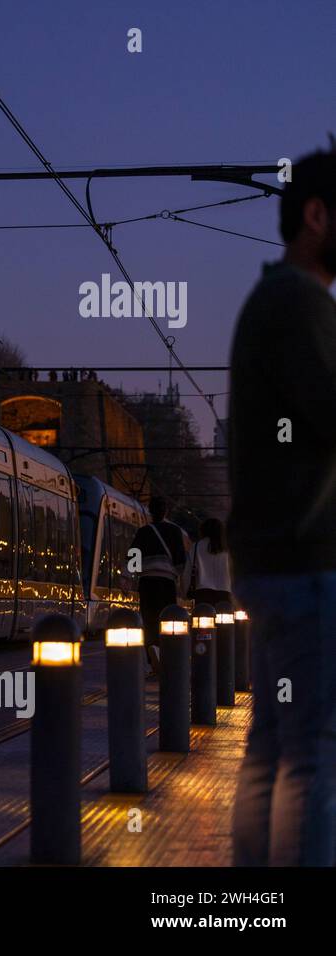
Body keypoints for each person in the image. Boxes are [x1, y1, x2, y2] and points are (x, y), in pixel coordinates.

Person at [228, 148, 336, 867]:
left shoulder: (269, 302)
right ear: (318, 215)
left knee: (270, 751)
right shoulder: (300, 303)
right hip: (305, 563)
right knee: (312, 759)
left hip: (268, 563)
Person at [131, 497, 187, 678]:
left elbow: (133, 560)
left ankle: (152, 656)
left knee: (149, 621)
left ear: (150, 512)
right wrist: (178, 575)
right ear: (166, 512)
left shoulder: (143, 532)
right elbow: (180, 560)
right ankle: (165, 654)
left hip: (147, 583)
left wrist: (129, 579)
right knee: (166, 620)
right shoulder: (174, 531)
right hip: (167, 582)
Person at [188, 517, 232, 607]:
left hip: (202, 593)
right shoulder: (227, 549)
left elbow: (189, 571)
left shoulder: (196, 547)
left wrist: (185, 591)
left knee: (203, 617)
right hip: (225, 591)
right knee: (225, 620)